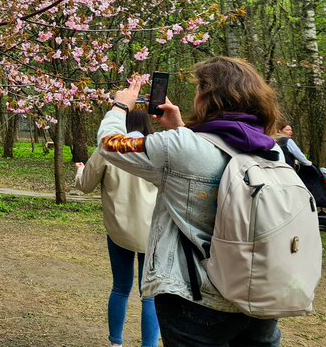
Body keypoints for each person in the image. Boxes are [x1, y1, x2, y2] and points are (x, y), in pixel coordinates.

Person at [99, 57, 283, 347]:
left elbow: (109, 145)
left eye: (199, 89)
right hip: (259, 295)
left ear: (209, 96)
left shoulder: (181, 147)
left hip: (198, 298)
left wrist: (121, 106)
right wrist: (181, 128)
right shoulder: (272, 150)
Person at [75, 109, 159, 347]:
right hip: (152, 233)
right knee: (150, 294)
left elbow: (85, 185)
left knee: (120, 287)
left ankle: (116, 343)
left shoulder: (109, 148)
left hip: (118, 229)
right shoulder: (158, 148)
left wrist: (80, 170)